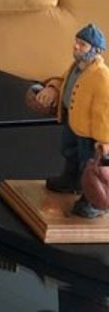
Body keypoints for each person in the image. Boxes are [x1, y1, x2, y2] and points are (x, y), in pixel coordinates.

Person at [29, 24, 109, 218]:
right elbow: (64, 81)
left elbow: (105, 112)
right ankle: (71, 180)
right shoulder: (77, 67)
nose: (76, 46)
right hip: (71, 121)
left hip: (89, 133)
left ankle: (91, 200)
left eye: (82, 44)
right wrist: (53, 88)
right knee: (70, 152)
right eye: (77, 42)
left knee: (88, 165)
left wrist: (104, 140)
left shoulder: (101, 76)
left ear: (96, 50)